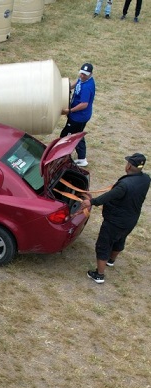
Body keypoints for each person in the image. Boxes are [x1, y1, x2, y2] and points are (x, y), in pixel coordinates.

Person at [83, 153, 149, 284]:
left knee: (103, 245)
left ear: (129, 165)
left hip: (115, 221)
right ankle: (111, 261)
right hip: (131, 219)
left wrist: (91, 202)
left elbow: (109, 196)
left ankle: (99, 275)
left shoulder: (124, 185)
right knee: (120, 239)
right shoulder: (146, 179)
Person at [59, 62, 95, 167]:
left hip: (79, 117)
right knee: (77, 135)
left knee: (67, 136)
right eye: (81, 73)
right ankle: (81, 158)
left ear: (90, 74)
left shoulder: (87, 87)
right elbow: (76, 83)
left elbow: (84, 104)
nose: (82, 75)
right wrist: (67, 88)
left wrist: (70, 110)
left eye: (85, 74)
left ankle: (65, 156)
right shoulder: (82, 79)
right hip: (76, 116)